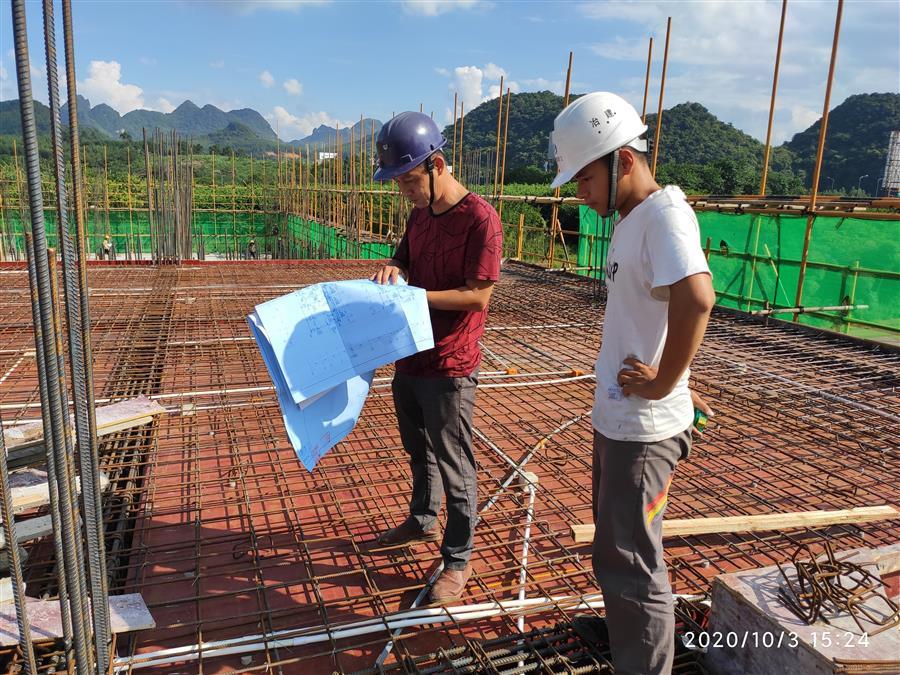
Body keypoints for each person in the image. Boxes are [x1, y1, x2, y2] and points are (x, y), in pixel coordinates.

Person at [549, 92, 715, 674]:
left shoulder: (664, 214)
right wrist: (680, 377)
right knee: (617, 548)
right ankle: (626, 627)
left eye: (585, 179)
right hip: (622, 421)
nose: (580, 194)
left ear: (622, 161)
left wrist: (667, 382)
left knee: (634, 559)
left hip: (642, 430)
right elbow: (659, 313)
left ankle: (643, 658)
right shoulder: (632, 219)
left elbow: (698, 298)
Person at [370, 112, 502, 603]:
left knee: (455, 461)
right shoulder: (419, 214)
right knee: (416, 447)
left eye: (407, 179)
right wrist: (392, 265)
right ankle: (423, 520)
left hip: (450, 363)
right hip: (411, 357)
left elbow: (477, 297)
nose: (403, 190)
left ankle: (457, 558)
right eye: (398, 182)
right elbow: (404, 258)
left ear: (437, 165)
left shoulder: (480, 220)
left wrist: (414, 297)